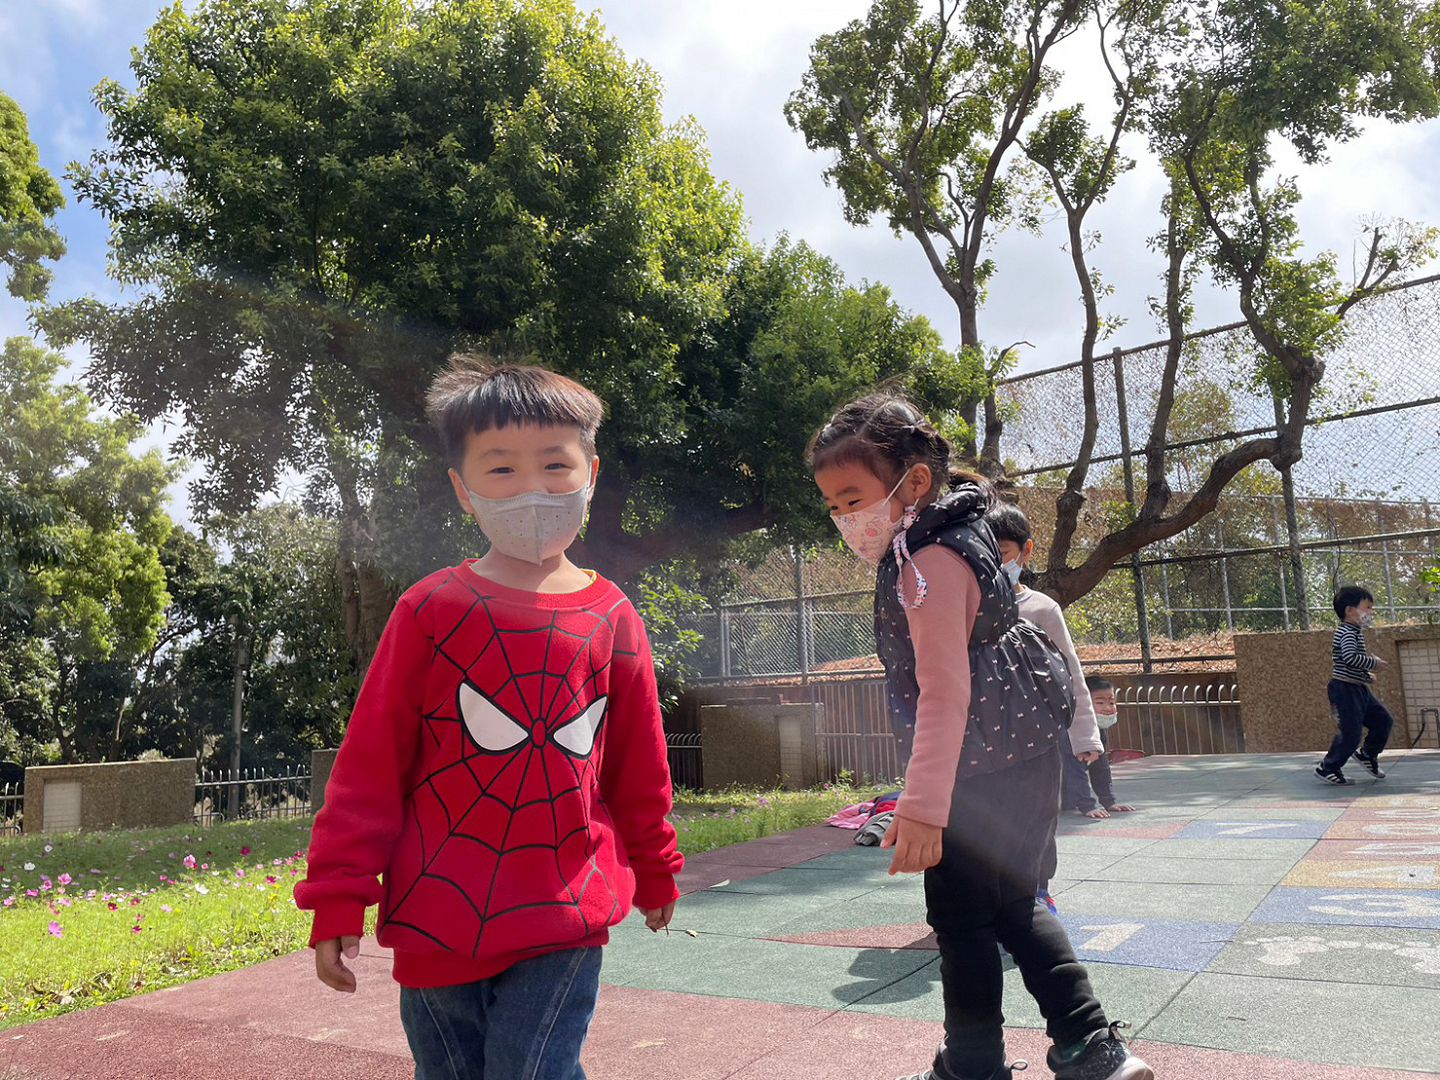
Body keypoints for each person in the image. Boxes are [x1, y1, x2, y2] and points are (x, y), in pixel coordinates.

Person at [295, 355, 684, 1080]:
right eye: (502, 469)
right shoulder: (429, 610)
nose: (532, 488)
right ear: (462, 490)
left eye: (555, 465)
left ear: (591, 475)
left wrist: (656, 867)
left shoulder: (613, 617)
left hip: (566, 913)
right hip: (436, 915)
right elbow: (370, 768)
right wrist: (339, 897)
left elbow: (639, 765)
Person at [810, 392, 1152, 1080]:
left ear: (914, 482)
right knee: (1018, 901)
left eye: (853, 499)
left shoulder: (926, 562)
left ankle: (973, 1064)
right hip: (1024, 747)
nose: (846, 518)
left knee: (963, 922)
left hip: (971, 766)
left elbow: (944, 690)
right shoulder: (966, 530)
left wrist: (922, 804)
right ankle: (1090, 1046)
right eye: (833, 505)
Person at [983, 502, 1104, 911]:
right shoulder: (968, 607)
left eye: (1002, 552)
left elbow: (1070, 672)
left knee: (1038, 817)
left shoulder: (1041, 608)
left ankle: (1037, 888)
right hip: (987, 736)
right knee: (991, 819)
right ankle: (994, 896)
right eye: (984, 552)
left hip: (1039, 737)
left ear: (1026, 550)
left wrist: (1084, 735)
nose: (993, 562)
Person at [1315, 585, 1393, 784]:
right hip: (1345, 690)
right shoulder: (1347, 632)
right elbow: (1350, 657)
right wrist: (1373, 663)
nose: (1371, 612)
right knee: (1351, 733)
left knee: (1383, 720)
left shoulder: (1354, 631)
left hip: (1357, 688)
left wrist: (1366, 676)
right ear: (1350, 610)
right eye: (1367, 607)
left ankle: (1367, 754)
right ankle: (1328, 767)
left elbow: (1348, 662)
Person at [1076, 677, 1137, 817]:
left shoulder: (1098, 730)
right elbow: (1072, 770)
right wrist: (1087, 806)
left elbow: (1100, 767)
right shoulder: (1073, 731)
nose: (1108, 708)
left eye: (1111, 702)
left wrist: (1109, 802)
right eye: (1100, 702)